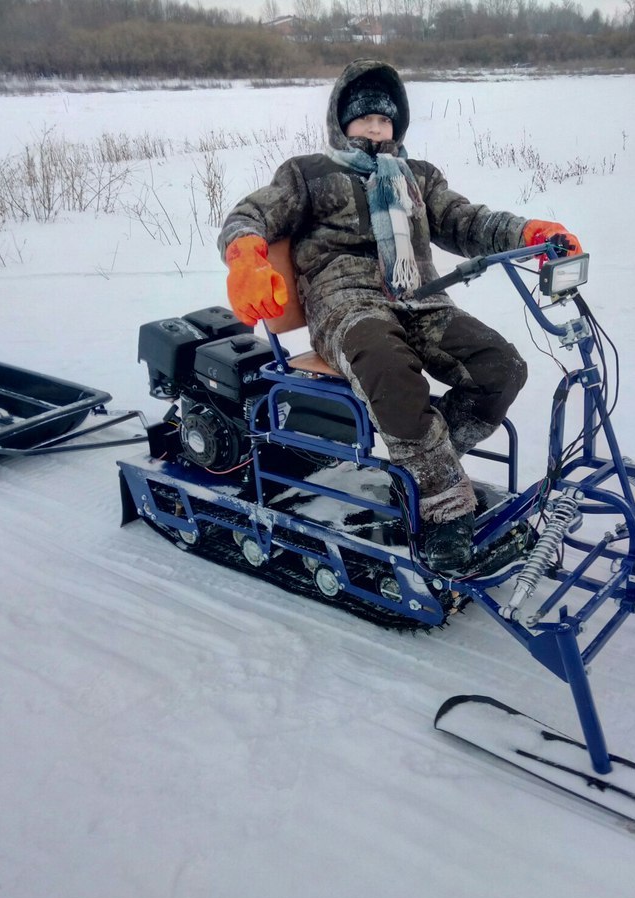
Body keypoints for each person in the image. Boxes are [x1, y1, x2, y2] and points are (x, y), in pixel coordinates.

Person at [218, 59, 582, 573]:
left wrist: (528, 233)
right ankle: (443, 510)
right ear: (340, 121)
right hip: (346, 307)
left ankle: (420, 469)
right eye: (363, 118)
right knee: (393, 377)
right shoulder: (308, 174)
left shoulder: (418, 178)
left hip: (422, 300)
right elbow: (249, 215)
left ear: (398, 125)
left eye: (384, 120)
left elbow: (466, 220)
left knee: (501, 368)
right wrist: (246, 258)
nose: (374, 128)